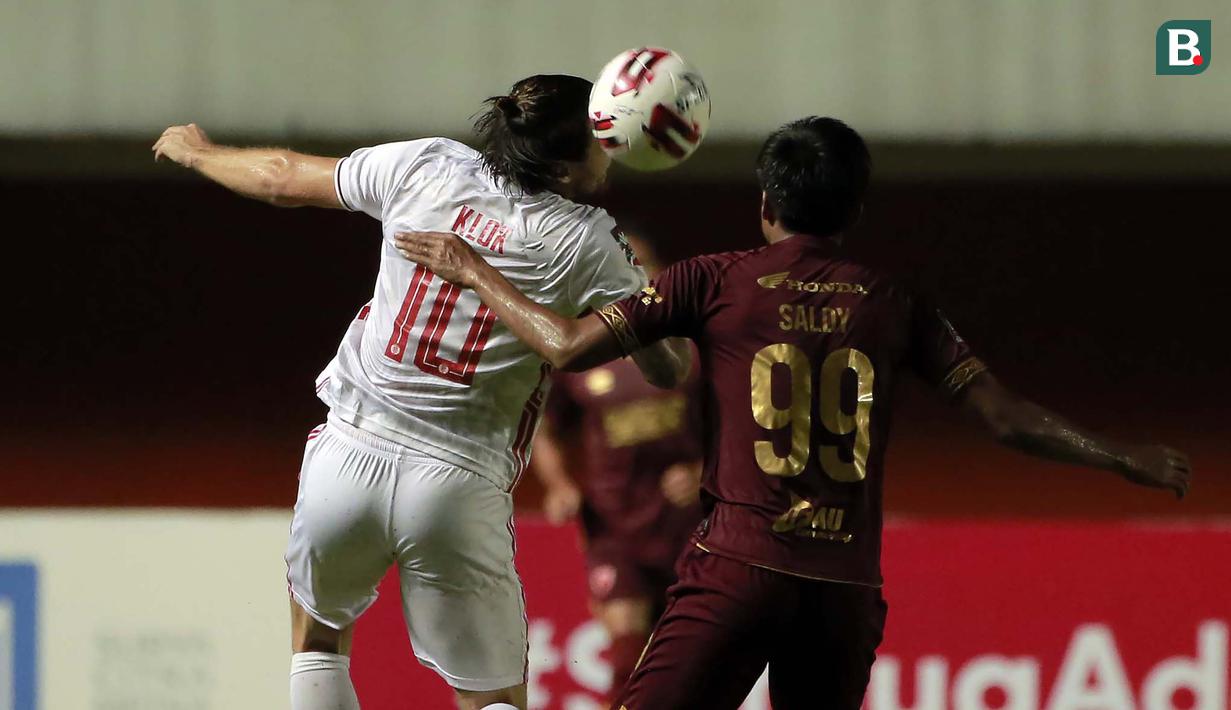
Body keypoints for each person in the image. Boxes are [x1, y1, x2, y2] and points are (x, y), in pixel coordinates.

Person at [391, 116, 1194, 710]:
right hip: (843, 590)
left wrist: (472, 270)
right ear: (853, 210)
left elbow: (564, 346)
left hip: (738, 568)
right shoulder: (896, 302)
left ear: (766, 201)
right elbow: (1004, 418)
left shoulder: (713, 280)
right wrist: (1123, 457)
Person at [152, 74, 690, 710]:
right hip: (458, 484)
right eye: (602, 139)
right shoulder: (588, 241)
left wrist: (197, 154)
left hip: (348, 455)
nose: (612, 150)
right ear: (568, 165)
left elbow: (279, 176)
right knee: (492, 697)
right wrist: (646, 306)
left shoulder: (426, 164)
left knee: (319, 643)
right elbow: (669, 367)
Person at [531, 233, 704, 699]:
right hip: (614, 524)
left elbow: (740, 428)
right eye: (620, 264)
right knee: (628, 650)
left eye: (641, 264)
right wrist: (560, 484)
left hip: (690, 525)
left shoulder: (693, 349)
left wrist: (706, 472)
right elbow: (543, 431)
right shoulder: (581, 351)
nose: (631, 276)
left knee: (684, 663)